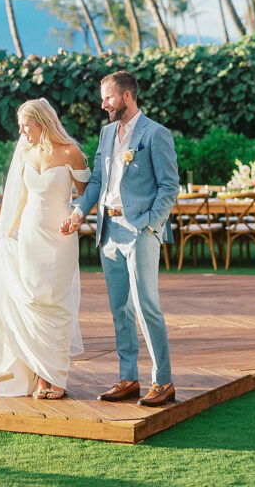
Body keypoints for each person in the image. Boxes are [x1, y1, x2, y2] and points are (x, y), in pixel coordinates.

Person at [61, 70, 179, 407]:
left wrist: (150, 224)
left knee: (146, 307)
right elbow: (97, 181)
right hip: (107, 232)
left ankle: (164, 381)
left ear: (127, 96)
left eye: (109, 97)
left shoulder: (156, 134)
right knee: (120, 310)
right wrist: (78, 212)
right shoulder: (106, 133)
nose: (103, 104)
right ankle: (128, 378)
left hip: (140, 231)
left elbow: (170, 187)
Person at [0, 98, 90, 399]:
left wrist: (76, 217)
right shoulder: (25, 152)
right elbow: (21, 199)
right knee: (33, 303)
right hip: (29, 236)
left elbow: (86, 197)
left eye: (26, 125)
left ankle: (57, 376)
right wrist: (7, 235)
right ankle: (41, 373)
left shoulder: (71, 153)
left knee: (58, 304)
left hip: (61, 238)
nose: (22, 132)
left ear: (42, 122)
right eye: (20, 126)